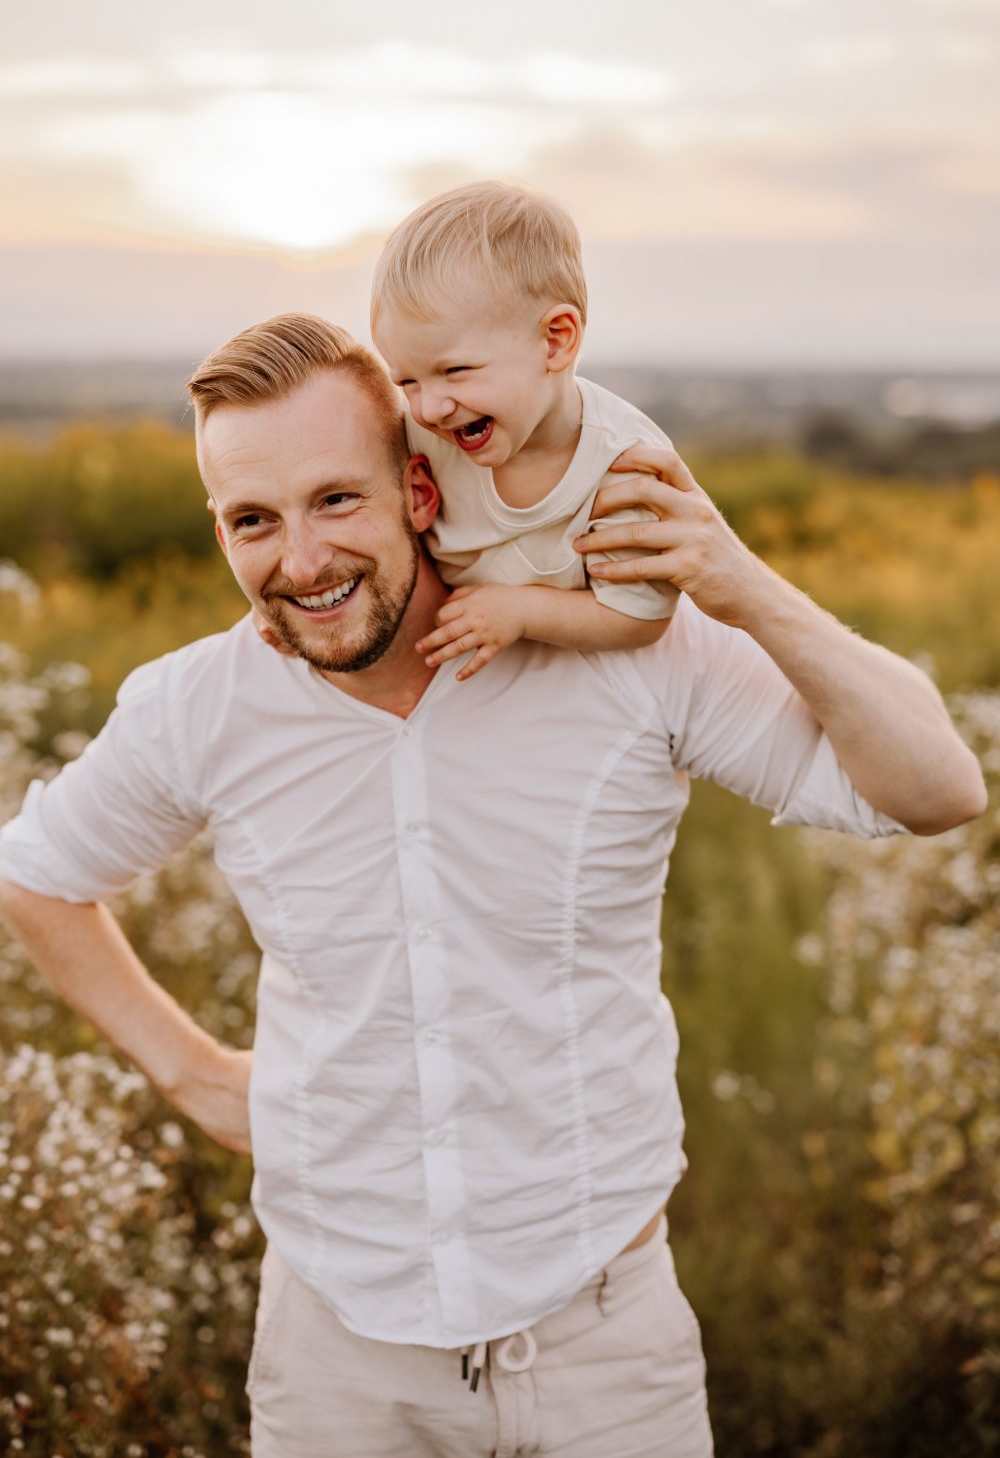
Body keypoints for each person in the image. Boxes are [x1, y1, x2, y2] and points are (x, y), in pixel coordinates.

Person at [0, 315, 985, 1458]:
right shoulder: (196, 709)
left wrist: (737, 581)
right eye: (253, 521)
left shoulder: (626, 654)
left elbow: (935, 788)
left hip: (610, 1358)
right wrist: (194, 1075)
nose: (301, 562)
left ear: (421, 488)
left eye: (336, 500)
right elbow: (35, 875)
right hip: (339, 1372)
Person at [369, 180, 680, 682]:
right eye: (406, 380)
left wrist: (521, 611)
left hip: (578, 685)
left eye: (456, 371)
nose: (429, 406)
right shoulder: (418, 432)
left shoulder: (623, 467)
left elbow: (637, 618)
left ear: (555, 341)